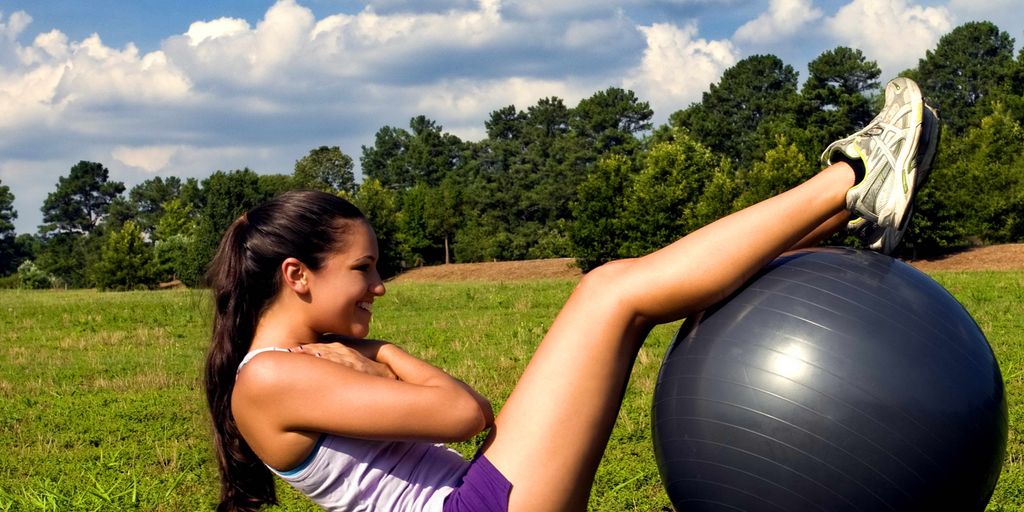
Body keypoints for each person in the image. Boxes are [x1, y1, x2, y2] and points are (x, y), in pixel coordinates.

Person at [205, 77, 939, 512]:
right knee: (608, 295)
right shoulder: (272, 377)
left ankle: (842, 208)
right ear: (298, 275)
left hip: (480, 496)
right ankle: (850, 179)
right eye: (362, 268)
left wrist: (365, 354)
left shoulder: (302, 363)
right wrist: (381, 351)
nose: (378, 284)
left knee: (620, 295)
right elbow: (461, 413)